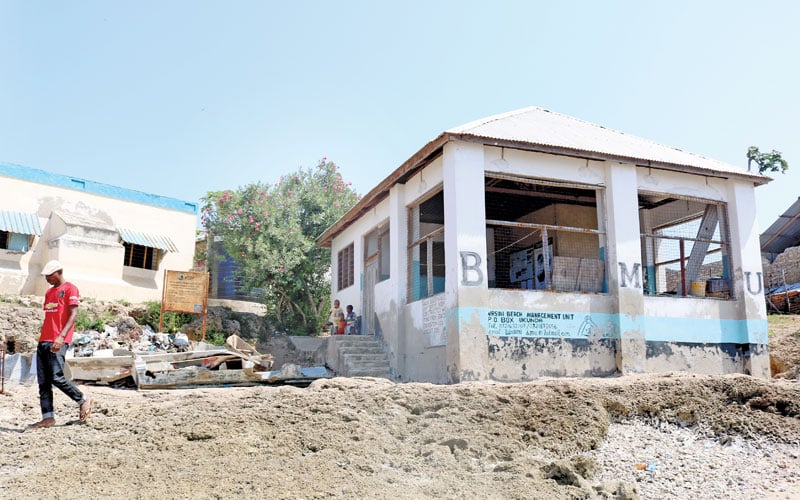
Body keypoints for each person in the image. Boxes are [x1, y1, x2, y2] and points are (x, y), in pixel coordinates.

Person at [27, 260, 92, 429]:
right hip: (44, 341)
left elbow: (73, 314)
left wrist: (61, 337)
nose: (47, 279)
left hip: (58, 340)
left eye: (50, 275)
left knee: (57, 377)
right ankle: (48, 417)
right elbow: (50, 317)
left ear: (59, 272)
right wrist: (43, 340)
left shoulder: (70, 289)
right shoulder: (49, 293)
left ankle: (82, 399)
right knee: (43, 382)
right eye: (46, 276)